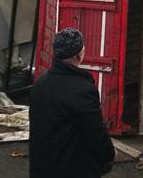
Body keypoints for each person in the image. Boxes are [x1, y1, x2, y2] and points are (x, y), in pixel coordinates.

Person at [29, 28, 115, 178]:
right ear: (80, 54)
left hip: (41, 168)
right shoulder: (83, 90)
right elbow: (96, 135)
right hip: (71, 169)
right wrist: (110, 155)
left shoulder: (40, 84)